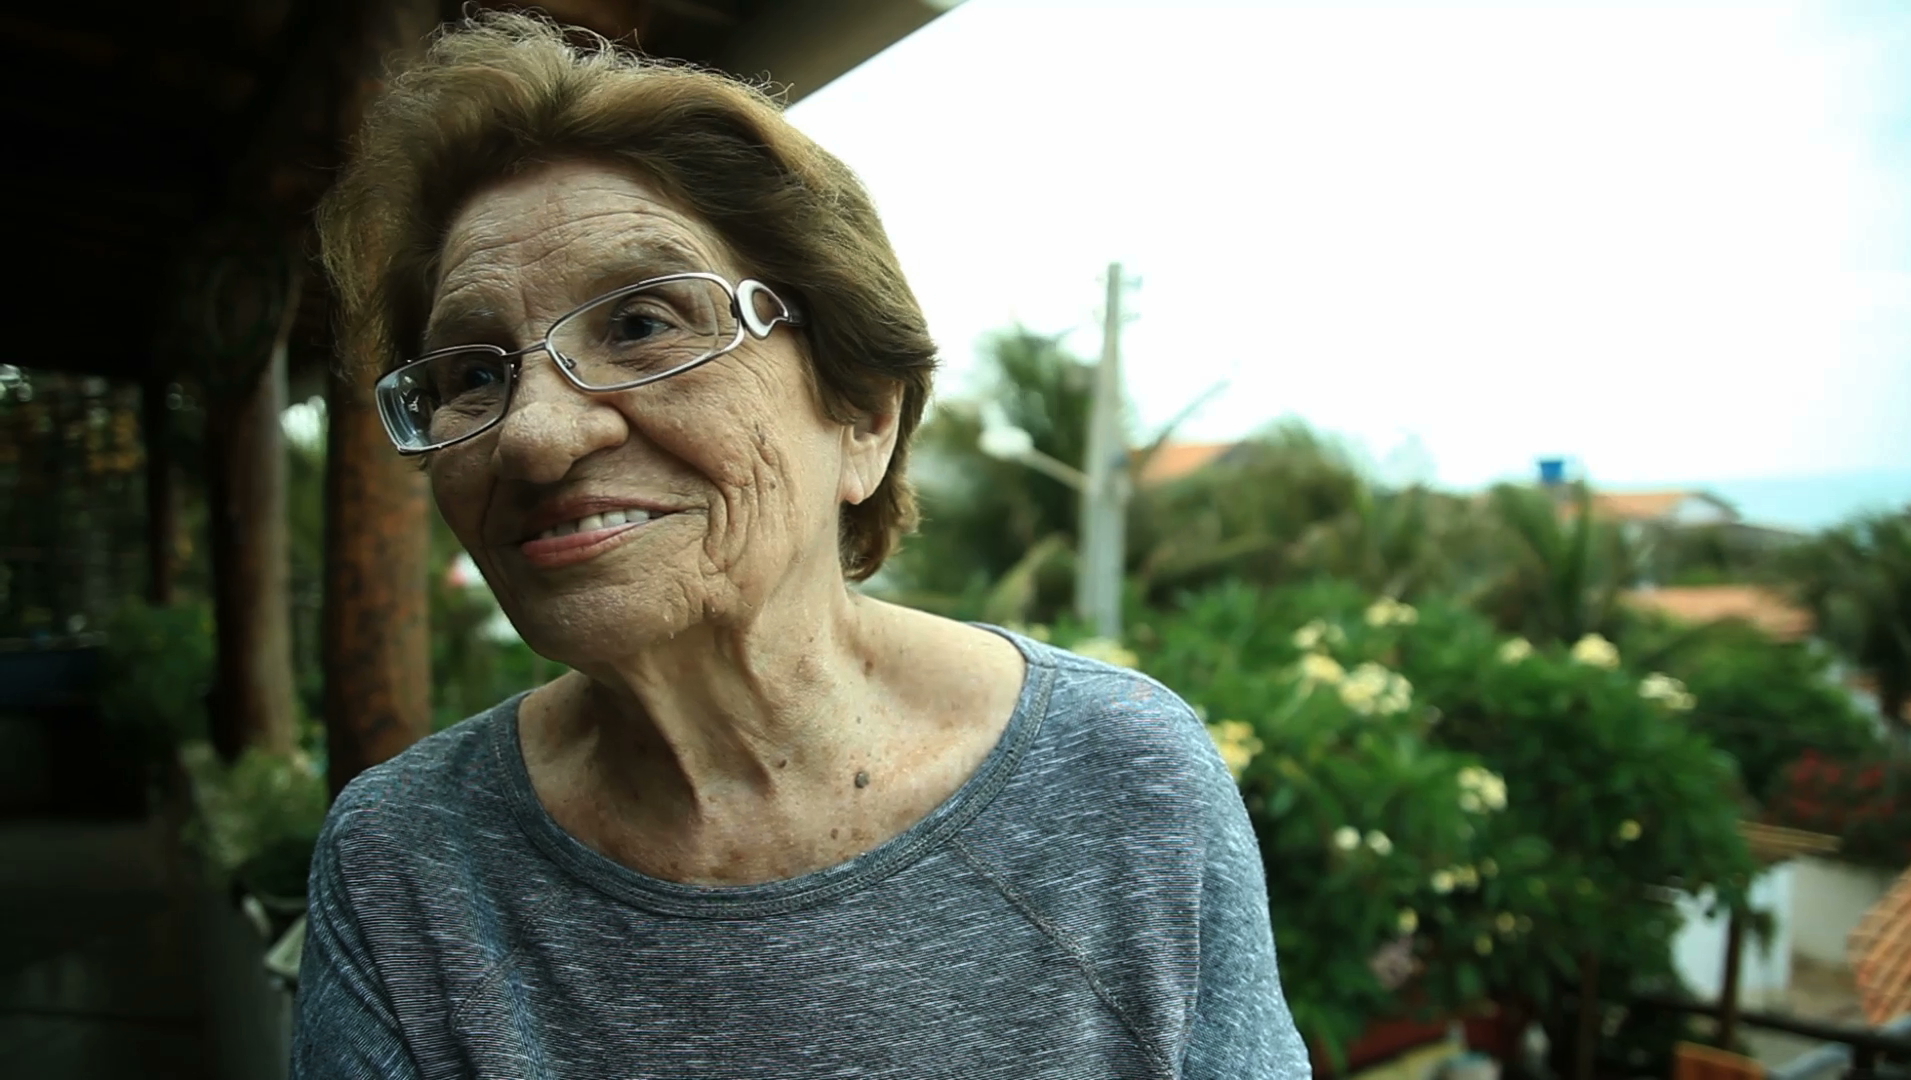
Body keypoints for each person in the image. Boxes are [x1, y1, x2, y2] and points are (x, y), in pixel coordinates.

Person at [293, 12, 1310, 1079]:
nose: (535, 436)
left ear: (863, 413)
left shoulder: (1117, 781)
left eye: (641, 326)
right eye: (472, 374)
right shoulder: (405, 864)